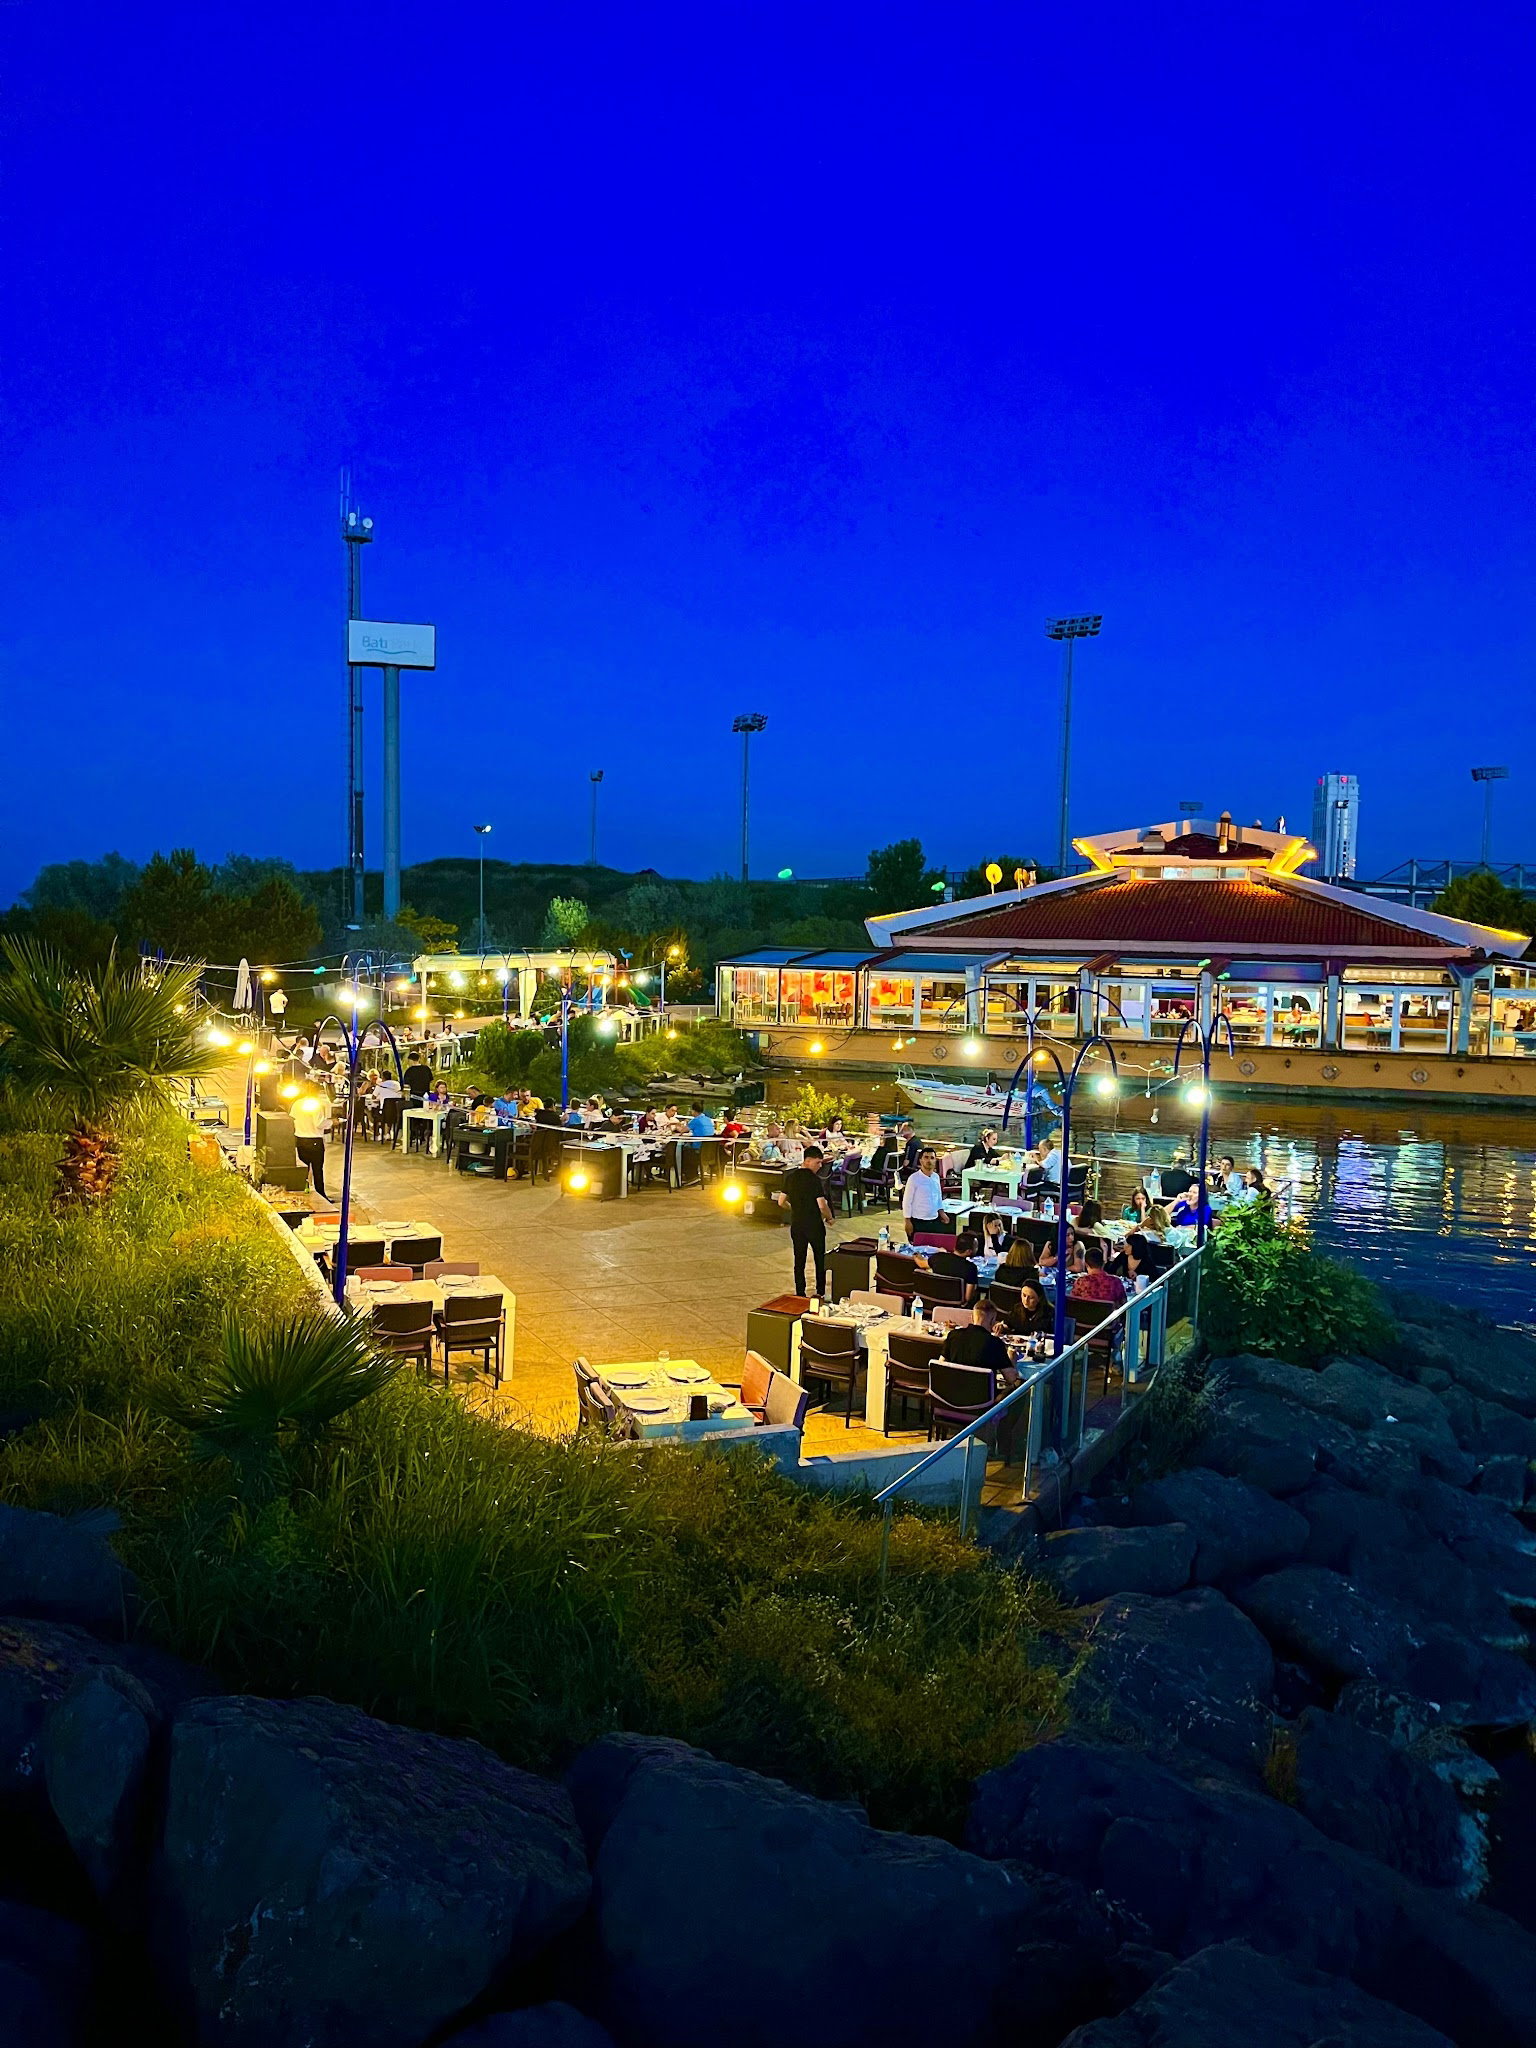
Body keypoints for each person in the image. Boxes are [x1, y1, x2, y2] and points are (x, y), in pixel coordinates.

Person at [773, 1143, 834, 1298]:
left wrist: (793, 1208)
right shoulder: (814, 1180)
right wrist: (829, 1217)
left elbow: (780, 1202)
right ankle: (820, 1292)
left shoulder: (791, 1177)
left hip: (797, 1224)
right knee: (819, 1259)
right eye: (817, 1162)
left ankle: (800, 1292)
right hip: (814, 1225)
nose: (820, 1166)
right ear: (807, 1161)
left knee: (799, 1260)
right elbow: (822, 1205)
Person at [289, 1092, 331, 1199]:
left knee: (304, 1169)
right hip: (315, 1140)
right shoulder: (315, 1105)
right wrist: (331, 1122)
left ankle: (303, 1191)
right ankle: (320, 1194)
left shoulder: (296, 1104)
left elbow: (292, 1119)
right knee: (317, 1169)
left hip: (301, 1139)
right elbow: (319, 1123)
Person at [900, 1147, 944, 1240]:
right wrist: (907, 1221)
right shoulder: (913, 1179)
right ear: (921, 1160)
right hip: (918, 1221)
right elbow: (907, 1201)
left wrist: (942, 1212)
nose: (929, 1161)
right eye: (926, 1157)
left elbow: (938, 1196)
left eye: (932, 1158)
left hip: (934, 1220)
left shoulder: (936, 1177)